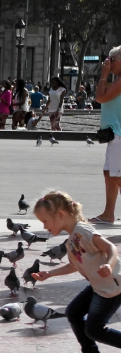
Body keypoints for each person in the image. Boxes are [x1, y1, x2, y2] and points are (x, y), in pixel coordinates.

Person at [31, 191, 121, 353]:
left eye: (45, 221)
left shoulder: (83, 231)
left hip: (112, 287)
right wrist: (50, 273)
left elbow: (110, 247)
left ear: (60, 215)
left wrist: (109, 265)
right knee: (73, 312)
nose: (44, 227)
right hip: (99, 286)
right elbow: (75, 265)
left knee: (94, 329)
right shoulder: (72, 239)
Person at [90, 46, 121, 225]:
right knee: (109, 173)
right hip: (114, 133)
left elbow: (100, 97)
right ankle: (108, 214)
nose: (108, 63)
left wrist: (104, 73)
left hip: (118, 133)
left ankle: (108, 214)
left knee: (115, 175)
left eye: (112, 60)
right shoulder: (117, 79)